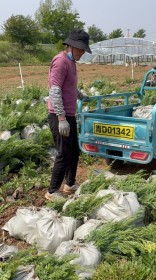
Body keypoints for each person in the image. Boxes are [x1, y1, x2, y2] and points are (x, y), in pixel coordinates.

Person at [45, 29, 92, 201]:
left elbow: (69, 86)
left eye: (83, 50)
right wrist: (61, 118)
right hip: (60, 117)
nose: (81, 53)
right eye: (80, 49)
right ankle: (51, 191)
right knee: (64, 154)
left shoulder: (72, 63)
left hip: (69, 115)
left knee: (74, 151)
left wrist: (80, 95)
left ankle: (69, 184)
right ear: (70, 46)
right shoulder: (60, 62)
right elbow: (55, 90)